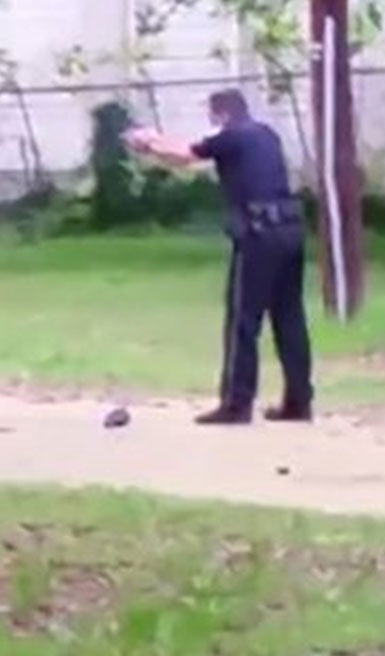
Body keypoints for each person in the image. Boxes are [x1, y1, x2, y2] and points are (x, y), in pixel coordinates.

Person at [124, 89, 314, 425]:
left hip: (259, 235)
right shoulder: (264, 134)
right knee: (289, 319)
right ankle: (298, 401)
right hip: (290, 231)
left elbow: (185, 154)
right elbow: (189, 156)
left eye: (211, 116)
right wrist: (157, 150)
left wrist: (149, 141)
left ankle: (236, 404)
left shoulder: (232, 137)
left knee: (243, 320)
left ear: (221, 114)